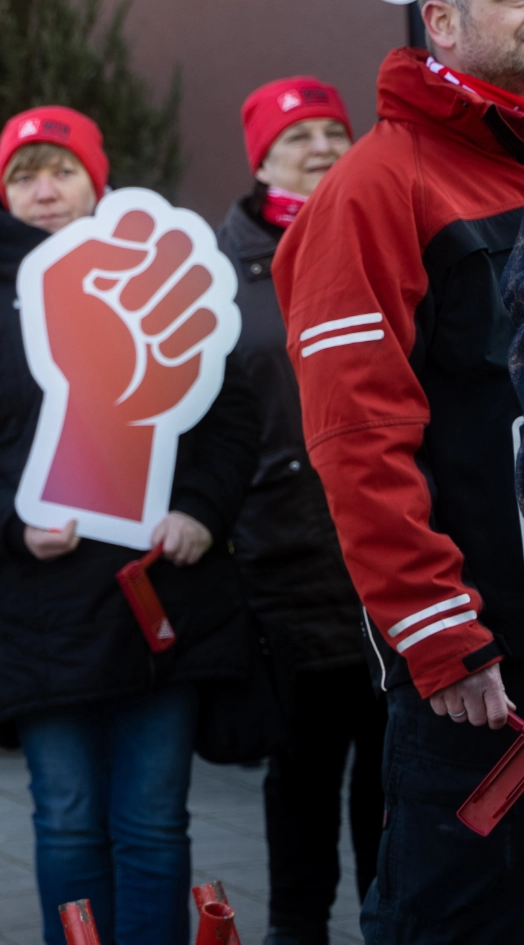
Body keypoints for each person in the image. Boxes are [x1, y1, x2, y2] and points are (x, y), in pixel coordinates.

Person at [0, 107, 258, 945]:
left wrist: (202, 514)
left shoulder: (150, 275)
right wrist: (9, 520)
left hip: (154, 600)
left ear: (96, 181)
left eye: (62, 169)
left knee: (151, 823)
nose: (44, 188)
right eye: (25, 172)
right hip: (36, 612)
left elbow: (232, 417)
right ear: (3, 191)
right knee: (68, 821)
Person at [272, 1, 524, 939]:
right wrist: (441, 633)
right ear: (443, 22)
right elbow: (357, 438)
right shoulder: (376, 186)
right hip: (483, 685)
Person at [220, 77, 383, 945]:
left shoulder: (386, 228)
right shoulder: (213, 269)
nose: (320, 146)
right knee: (303, 783)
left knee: (393, 781)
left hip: (389, 562)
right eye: (298, 137)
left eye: (333, 130)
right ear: (260, 158)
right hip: (285, 568)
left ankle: (393, 922)